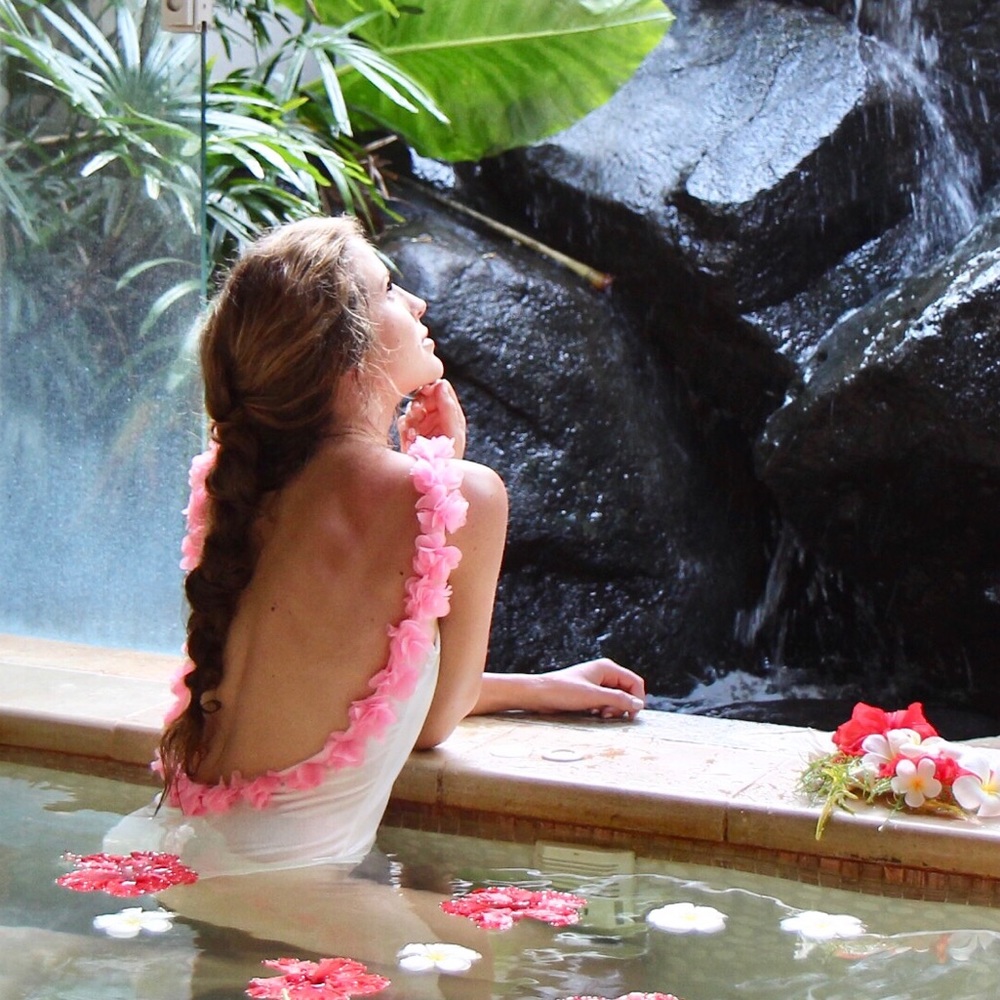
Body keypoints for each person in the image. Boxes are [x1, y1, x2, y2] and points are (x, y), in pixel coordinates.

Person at [107, 214, 644, 883]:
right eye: (389, 289)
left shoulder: (241, 491)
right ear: (347, 353)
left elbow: (345, 685)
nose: (417, 304)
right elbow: (431, 723)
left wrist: (535, 688)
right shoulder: (461, 498)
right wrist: (443, 473)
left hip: (169, 860)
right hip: (287, 894)